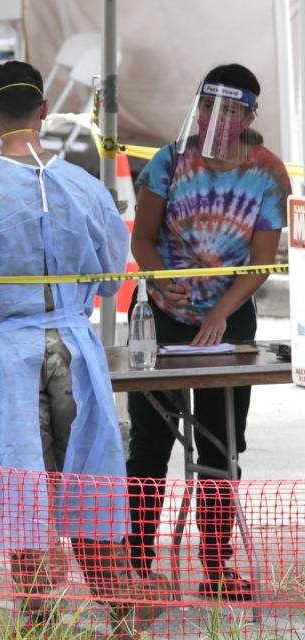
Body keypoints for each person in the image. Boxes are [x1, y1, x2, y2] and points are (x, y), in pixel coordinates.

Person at [0, 61, 168, 638]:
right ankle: (121, 608)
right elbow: (112, 280)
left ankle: (39, 618)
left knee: (20, 487)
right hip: (76, 350)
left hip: (7, 356)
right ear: (42, 111)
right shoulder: (84, 186)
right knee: (90, 483)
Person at [125, 63, 291, 601]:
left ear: (248, 115)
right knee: (151, 440)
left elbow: (262, 262)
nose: (214, 121)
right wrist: (163, 281)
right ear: (196, 108)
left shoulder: (267, 173)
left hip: (231, 315)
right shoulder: (168, 162)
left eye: (228, 112)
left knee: (223, 444)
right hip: (163, 313)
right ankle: (137, 564)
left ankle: (216, 567)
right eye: (205, 108)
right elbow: (143, 240)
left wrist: (221, 310)